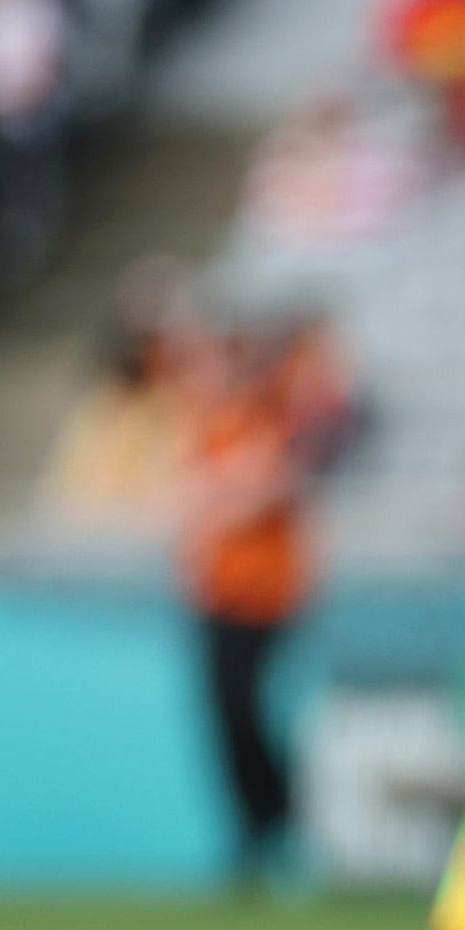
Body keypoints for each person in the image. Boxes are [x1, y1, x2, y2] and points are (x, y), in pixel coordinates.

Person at [178, 312, 350, 883]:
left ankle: (277, 817)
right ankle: (258, 826)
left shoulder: (265, 417)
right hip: (218, 593)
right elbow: (193, 498)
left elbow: (256, 490)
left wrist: (218, 495)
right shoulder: (215, 426)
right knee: (225, 715)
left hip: (265, 596)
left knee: (249, 711)